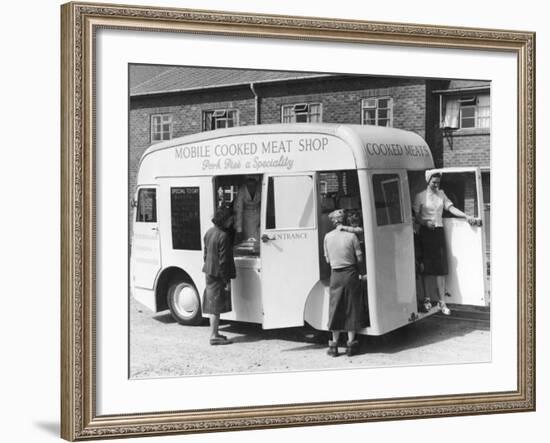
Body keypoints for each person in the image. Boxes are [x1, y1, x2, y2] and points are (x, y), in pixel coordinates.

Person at [413, 171, 477, 315]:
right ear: (428, 181)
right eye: (434, 182)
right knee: (426, 267)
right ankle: (427, 299)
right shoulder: (420, 196)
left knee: (440, 267)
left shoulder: (441, 194)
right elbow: (416, 217)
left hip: (438, 232)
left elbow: (451, 208)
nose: (436, 185)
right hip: (425, 233)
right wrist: (425, 222)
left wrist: (466, 215)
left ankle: (442, 302)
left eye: (438, 182)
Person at [324, 209, 368, 357]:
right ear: (345, 221)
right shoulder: (352, 236)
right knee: (352, 307)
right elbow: (360, 258)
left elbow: (328, 259)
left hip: (335, 274)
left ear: (333, 221)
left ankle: (334, 345)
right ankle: (351, 345)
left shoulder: (327, 237)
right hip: (350, 273)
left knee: (335, 308)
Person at [202, 206, 236, 345]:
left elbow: (205, 254)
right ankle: (214, 336)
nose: (232, 221)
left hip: (209, 271)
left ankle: (215, 333)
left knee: (213, 303)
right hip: (218, 274)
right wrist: (226, 280)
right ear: (225, 220)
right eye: (230, 219)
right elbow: (224, 261)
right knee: (216, 305)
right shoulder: (223, 236)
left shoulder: (209, 232)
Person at [234, 176, 261, 242]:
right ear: (246, 183)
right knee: (248, 239)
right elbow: (239, 210)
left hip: (258, 215)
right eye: (249, 185)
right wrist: (239, 230)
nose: (251, 187)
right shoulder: (242, 191)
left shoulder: (261, 188)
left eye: (254, 184)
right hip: (245, 218)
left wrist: (263, 219)